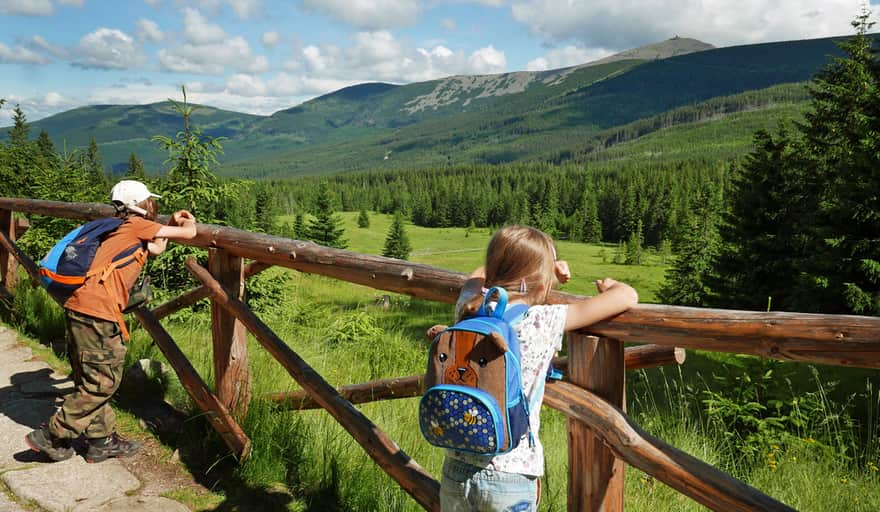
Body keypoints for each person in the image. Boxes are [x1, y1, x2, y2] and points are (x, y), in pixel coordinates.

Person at [426, 225, 638, 511]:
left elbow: (477, 276)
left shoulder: (470, 306)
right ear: (541, 283)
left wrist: (535, 269)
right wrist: (610, 284)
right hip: (512, 473)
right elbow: (627, 297)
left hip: (456, 465)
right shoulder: (543, 320)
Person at [26, 180, 198, 463]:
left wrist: (169, 223)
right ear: (138, 205)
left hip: (81, 307)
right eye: (148, 201)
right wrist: (185, 221)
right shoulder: (135, 225)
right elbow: (190, 234)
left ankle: (100, 441)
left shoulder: (117, 226)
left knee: (92, 379)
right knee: (102, 383)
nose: (152, 205)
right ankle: (52, 434)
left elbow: (155, 248)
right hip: (98, 313)